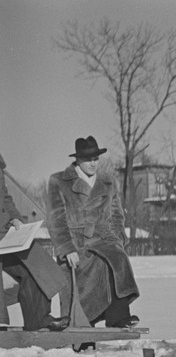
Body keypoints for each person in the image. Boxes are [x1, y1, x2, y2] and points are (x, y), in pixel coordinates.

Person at [45, 136, 140, 335]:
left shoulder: (107, 181)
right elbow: (56, 220)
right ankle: (83, 324)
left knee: (118, 257)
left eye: (96, 159)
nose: (93, 163)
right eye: (88, 159)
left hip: (103, 237)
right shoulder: (59, 181)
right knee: (92, 272)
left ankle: (119, 316)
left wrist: (118, 238)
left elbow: (116, 214)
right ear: (77, 160)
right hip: (76, 242)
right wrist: (66, 248)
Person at [0, 156, 68, 331]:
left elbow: (6, 198)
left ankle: (39, 318)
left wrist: (15, 216)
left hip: (5, 234)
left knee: (35, 262)